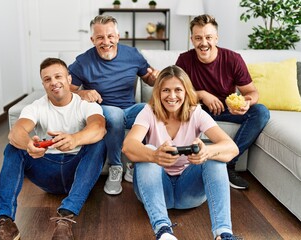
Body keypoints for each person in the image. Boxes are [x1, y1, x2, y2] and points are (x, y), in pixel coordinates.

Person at [0, 58, 107, 240]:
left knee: (99, 144)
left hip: (77, 171)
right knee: (13, 147)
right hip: (46, 171)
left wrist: (74, 139)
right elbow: (16, 132)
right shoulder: (36, 107)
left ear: (69, 79)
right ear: (43, 84)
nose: (53, 82)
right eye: (47, 79)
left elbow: (99, 128)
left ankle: (65, 220)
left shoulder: (86, 106)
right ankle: (5, 222)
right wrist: (28, 144)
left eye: (58, 76)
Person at [122, 65, 241, 240]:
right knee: (148, 150)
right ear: (158, 92)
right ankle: (163, 231)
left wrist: (206, 152)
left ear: (186, 91)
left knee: (215, 158)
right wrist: (154, 156)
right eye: (166, 90)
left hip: (188, 192)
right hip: (157, 190)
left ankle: (223, 234)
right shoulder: (149, 111)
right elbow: (128, 146)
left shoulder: (196, 113)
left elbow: (232, 148)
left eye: (178, 90)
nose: (172, 96)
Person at [175, 14, 270, 190]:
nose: (204, 43)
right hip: (197, 110)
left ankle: (228, 164)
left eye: (208, 37)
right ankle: (181, 167)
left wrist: (246, 103)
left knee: (261, 112)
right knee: (175, 111)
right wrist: (202, 94)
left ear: (216, 38)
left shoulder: (233, 59)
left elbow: (251, 92)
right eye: (198, 38)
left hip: (227, 110)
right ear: (192, 40)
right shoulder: (184, 60)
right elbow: (175, 95)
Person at [68, 15, 159, 195]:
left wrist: (154, 78)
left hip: (130, 109)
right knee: (116, 115)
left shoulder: (132, 54)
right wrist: (81, 93)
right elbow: (65, 92)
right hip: (102, 109)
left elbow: (148, 79)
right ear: (92, 39)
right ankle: (116, 167)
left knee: (152, 110)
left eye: (110, 36)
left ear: (118, 37)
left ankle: (136, 163)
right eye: (100, 37)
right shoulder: (83, 61)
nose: (106, 42)